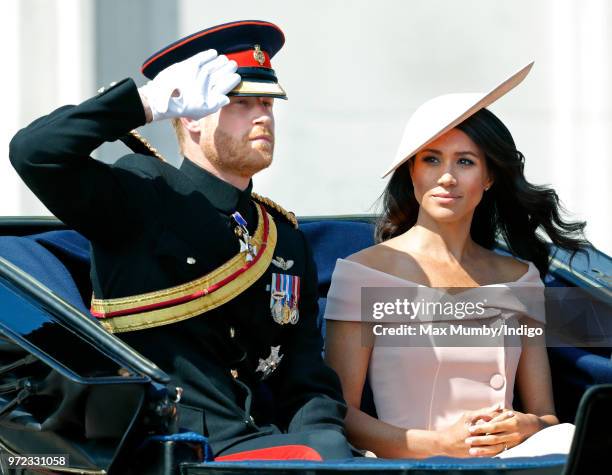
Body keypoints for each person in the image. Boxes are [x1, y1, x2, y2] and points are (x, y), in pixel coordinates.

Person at [9, 20, 352, 462]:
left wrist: (322, 445)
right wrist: (145, 103)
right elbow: (35, 152)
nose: (263, 115)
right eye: (241, 103)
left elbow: (305, 377)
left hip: (262, 446)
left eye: (267, 102)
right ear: (191, 114)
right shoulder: (144, 194)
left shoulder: (282, 237)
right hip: (171, 445)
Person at [324, 62, 588, 459]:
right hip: (412, 466)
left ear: (488, 177)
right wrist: (436, 445)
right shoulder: (363, 273)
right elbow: (340, 414)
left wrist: (527, 425)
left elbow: (545, 415)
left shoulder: (521, 278)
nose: (446, 176)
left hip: (513, 464)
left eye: (465, 161)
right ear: (411, 172)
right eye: (431, 159)